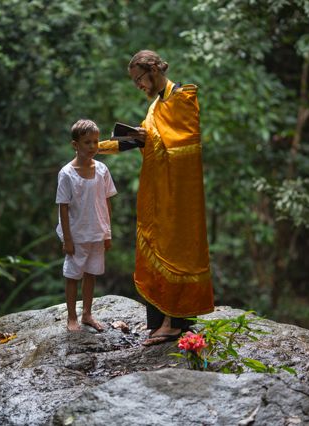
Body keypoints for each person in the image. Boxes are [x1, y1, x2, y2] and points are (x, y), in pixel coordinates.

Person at [99, 50, 214, 346]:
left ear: (153, 70)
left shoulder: (183, 99)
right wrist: (98, 147)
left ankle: (175, 324)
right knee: (156, 246)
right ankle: (161, 323)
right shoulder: (155, 107)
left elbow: (183, 149)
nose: (138, 85)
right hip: (158, 191)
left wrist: (148, 139)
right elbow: (148, 138)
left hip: (180, 196)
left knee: (177, 251)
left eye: (139, 78)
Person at [56, 119, 118, 332]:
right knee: (73, 276)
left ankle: (87, 314)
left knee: (91, 273)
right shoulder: (66, 173)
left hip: (97, 232)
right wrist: (67, 239)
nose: (92, 147)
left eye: (95, 142)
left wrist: (107, 233)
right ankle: (71, 317)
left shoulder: (102, 169)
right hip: (77, 233)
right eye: (87, 142)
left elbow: (107, 202)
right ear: (75, 145)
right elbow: (63, 208)